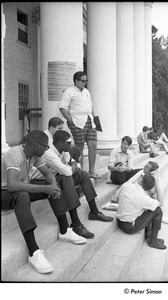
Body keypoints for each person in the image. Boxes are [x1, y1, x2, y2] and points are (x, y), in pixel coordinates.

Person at [1, 130, 90, 275]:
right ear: (36, 145)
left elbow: (48, 174)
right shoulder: (15, 154)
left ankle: (64, 230)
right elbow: (12, 185)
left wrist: (53, 186)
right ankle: (34, 251)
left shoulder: (35, 155)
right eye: (46, 147)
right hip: (4, 192)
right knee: (22, 196)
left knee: (59, 180)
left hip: (17, 190)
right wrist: (45, 188)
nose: (47, 150)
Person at [38, 130, 114, 238]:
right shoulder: (50, 153)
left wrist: (73, 167)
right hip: (46, 181)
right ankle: (76, 223)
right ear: (60, 143)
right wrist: (72, 168)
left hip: (59, 177)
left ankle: (94, 211)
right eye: (68, 143)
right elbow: (68, 171)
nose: (71, 145)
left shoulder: (63, 150)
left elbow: (73, 161)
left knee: (83, 174)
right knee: (67, 178)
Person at [59, 71, 101, 179]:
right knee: (79, 148)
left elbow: (91, 106)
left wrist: (94, 119)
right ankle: (80, 171)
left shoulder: (86, 91)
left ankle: (91, 170)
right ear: (76, 81)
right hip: (77, 122)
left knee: (93, 145)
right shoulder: (69, 92)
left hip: (89, 121)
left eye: (86, 80)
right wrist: (71, 121)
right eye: (83, 81)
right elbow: (63, 108)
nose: (85, 83)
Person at [116, 174, 167, 250]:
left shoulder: (126, 185)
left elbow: (117, 198)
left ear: (140, 180)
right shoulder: (143, 198)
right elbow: (161, 203)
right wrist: (156, 185)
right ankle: (153, 241)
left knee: (149, 208)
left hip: (120, 222)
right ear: (149, 188)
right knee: (157, 210)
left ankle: (150, 236)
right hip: (130, 227)